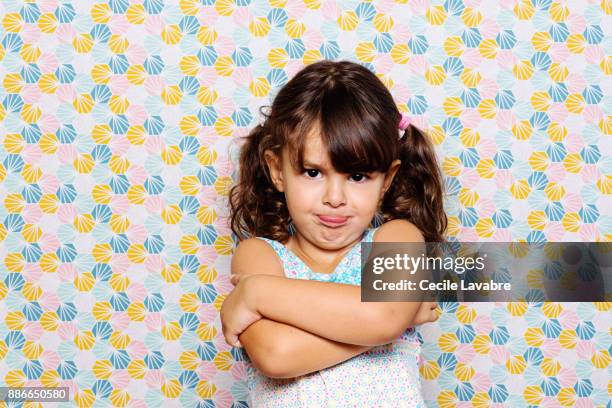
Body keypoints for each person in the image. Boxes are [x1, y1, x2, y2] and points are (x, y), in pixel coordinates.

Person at [221, 60, 447, 407]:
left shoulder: (397, 238)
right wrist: (391, 324)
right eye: (312, 172)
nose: (335, 198)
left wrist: (256, 293)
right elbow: (277, 354)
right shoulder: (259, 256)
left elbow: (381, 317)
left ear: (386, 180)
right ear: (276, 170)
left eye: (357, 177)